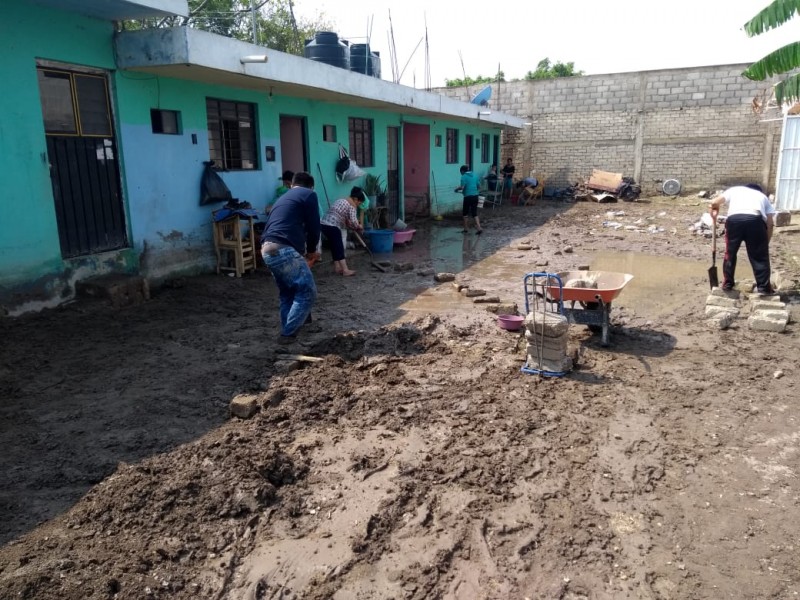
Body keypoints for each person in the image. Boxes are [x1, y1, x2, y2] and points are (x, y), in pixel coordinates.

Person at [260, 171, 321, 344]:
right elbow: (314, 226)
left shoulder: (285, 197)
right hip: (283, 248)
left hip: (267, 249)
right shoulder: (309, 194)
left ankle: (291, 328)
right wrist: (311, 251)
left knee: (288, 292)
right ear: (311, 185)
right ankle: (288, 335)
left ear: (292, 184)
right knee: (308, 291)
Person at [709, 183, 776, 295]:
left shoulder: (735, 189)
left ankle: (728, 284)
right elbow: (770, 223)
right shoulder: (762, 196)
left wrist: (713, 210)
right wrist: (764, 244)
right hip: (755, 221)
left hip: (734, 220)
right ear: (759, 191)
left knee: (730, 253)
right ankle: (764, 289)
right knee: (759, 257)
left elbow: (714, 202)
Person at [320, 186, 365, 276]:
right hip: (332, 225)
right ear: (356, 199)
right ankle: (345, 270)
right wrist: (359, 226)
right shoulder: (352, 205)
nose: (358, 205)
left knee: (334, 246)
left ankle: (337, 267)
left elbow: (343, 218)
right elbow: (353, 221)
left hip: (323, 223)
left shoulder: (342, 200)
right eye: (359, 203)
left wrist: (349, 224)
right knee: (339, 247)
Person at [455, 165, 482, 234]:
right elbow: (479, 186)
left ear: (462, 171)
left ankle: (466, 229)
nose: (461, 174)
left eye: (461, 172)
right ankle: (479, 228)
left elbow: (462, 187)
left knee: (465, 213)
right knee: (474, 213)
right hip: (475, 196)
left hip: (467, 197)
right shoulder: (475, 176)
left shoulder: (463, 177)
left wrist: (456, 189)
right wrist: (475, 191)